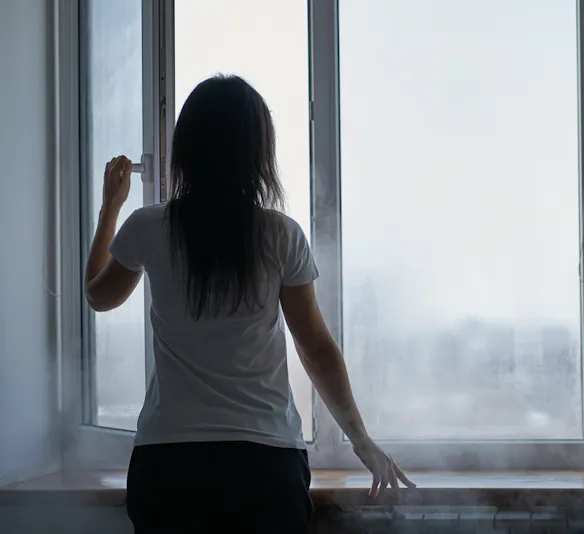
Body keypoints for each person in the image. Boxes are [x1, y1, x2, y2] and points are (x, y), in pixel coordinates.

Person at [84, 74, 414, 533]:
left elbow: (97, 295)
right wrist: (362, 442)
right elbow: (316, 350)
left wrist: (109, 210)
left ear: (186, 150)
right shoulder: (280, 234)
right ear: (258, 154)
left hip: (170, 465)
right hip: (264, 468)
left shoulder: (149, 226)